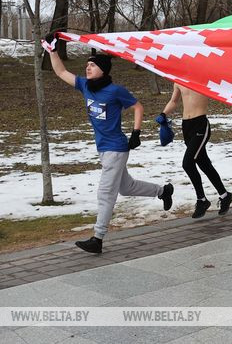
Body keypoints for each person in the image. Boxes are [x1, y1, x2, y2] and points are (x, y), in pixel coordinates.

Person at [42, 35, 173, 254]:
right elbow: (61, 72)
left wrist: (136, 133)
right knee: (126, 187)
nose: (88, 68)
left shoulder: (115, 91)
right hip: (104, 148)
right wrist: (52, 50)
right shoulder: (86, 87)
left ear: (103, 69)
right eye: (86, 65)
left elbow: (138, 107)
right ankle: (163, 191)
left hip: (116, 148)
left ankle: (98, 238)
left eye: (92, 65)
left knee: (106, 193)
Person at [160, 83, 232, 218]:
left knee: (187, 163)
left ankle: (202, 200)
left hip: (200, 124)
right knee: (204, 163)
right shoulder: (178, 80)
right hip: (186, 126)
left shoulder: (200, 76)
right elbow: (174, 101)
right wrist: (163, 114)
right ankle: (225, 195)